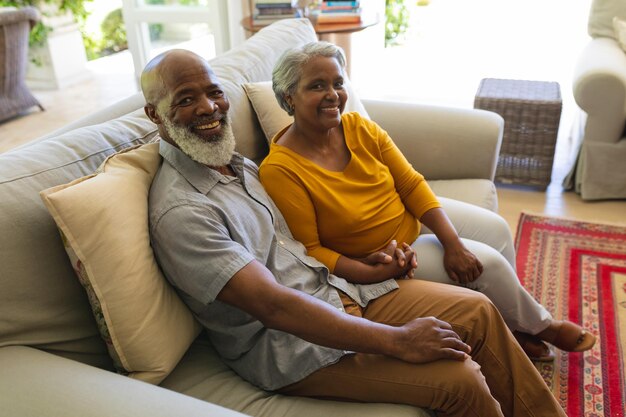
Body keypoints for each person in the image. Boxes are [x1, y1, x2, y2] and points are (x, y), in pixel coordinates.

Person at [142, 48, 567, 417]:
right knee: (460, 378)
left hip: (336, 291)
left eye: (214, 92)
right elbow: (274, 307)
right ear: (154, 114)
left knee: (478, 311)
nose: (209, 107)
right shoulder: (183, 211)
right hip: (291, 345)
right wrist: (399, 341)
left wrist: (365, 266)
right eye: (185, 99)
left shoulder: (236, 165)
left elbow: (299, 247)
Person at [258, 41, 596, 361]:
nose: (333, 95)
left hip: (409, 219)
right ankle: (543, 326)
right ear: (289, 97)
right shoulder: (280, 170)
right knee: (488, 264)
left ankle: (512, 324)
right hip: (387, 256)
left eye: (337, 83)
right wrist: (369, 273)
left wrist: (452, 243)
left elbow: (409, 183)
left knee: (495, 229)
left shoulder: (359, 126)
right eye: (317, 86)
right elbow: (311, 251)